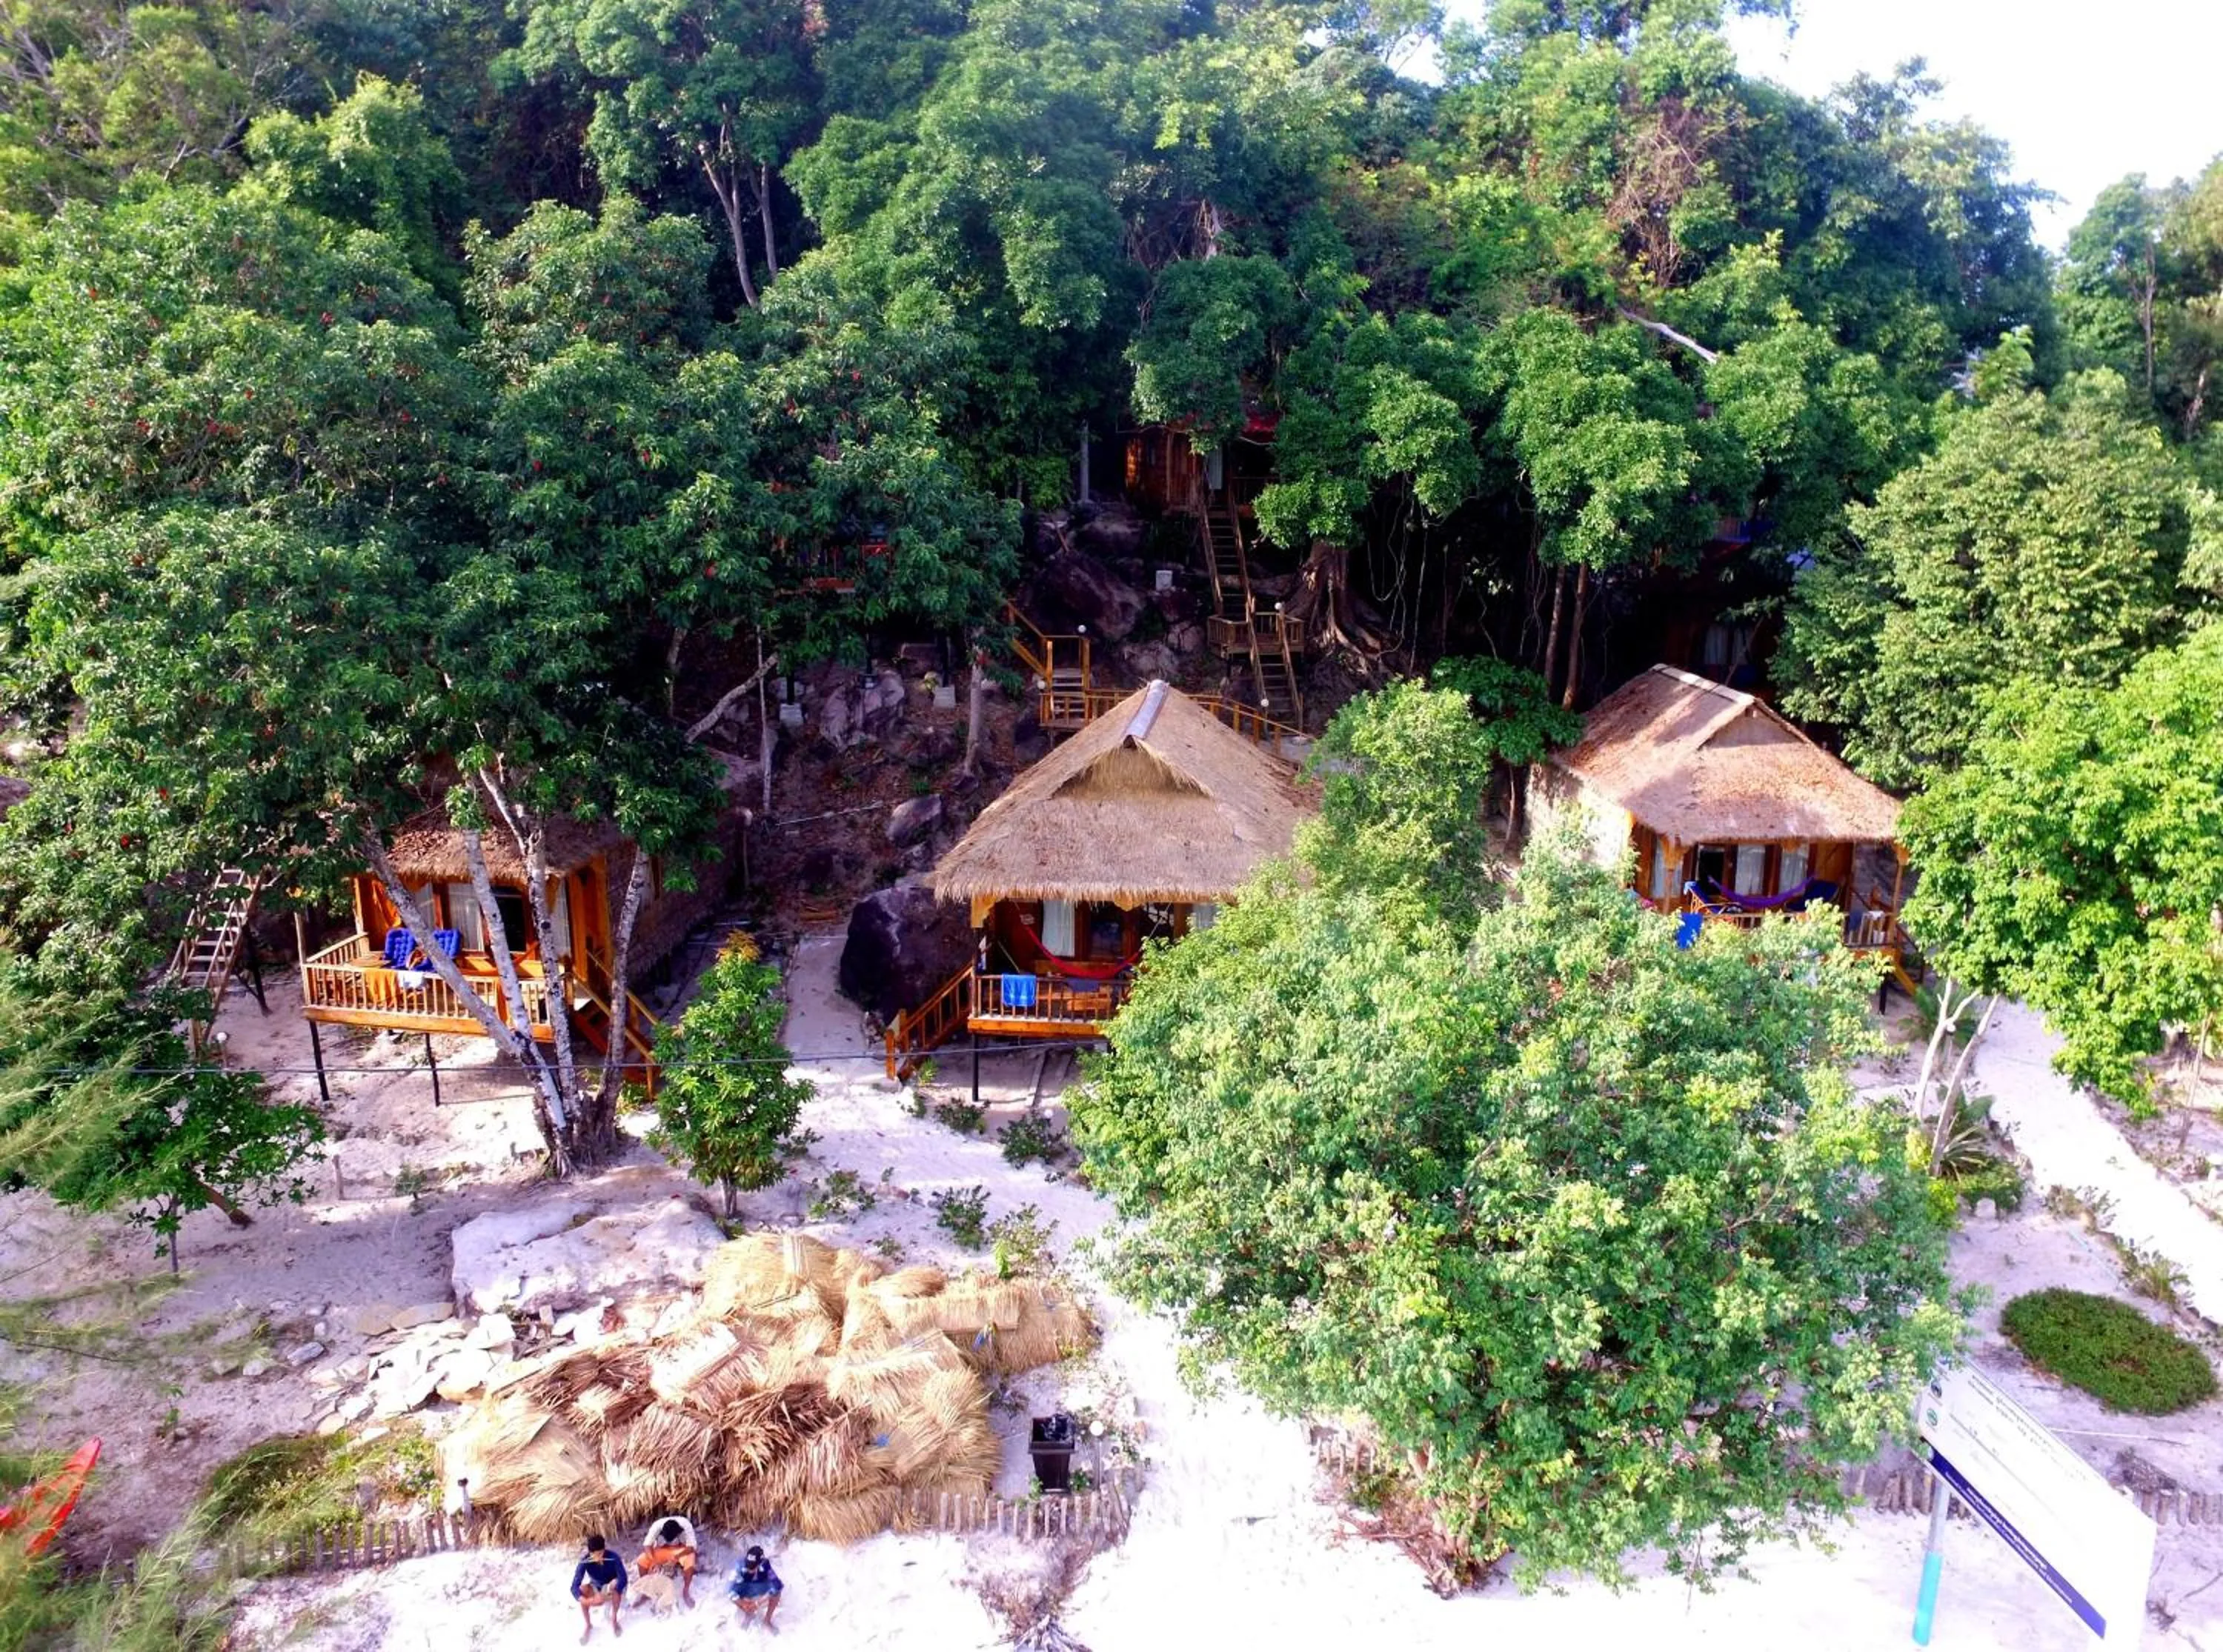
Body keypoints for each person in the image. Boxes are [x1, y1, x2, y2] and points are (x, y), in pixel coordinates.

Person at [570, 1533, 626, 1642]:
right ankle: (588, 1625)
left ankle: (614, 1621)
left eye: (600, 1553)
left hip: (611, 1587)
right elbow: (574, 1586)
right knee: (582, 1590)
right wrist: (584, 1600)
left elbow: (623, 1579)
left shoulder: (614, 1557)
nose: (597, 1557)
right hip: (596, 1586)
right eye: (594, 1555)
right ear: (590, 1553)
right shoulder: (585, 1561)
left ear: (604, 1550)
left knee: (615, 1584)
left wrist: (606, 1595)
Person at [634, 1516, 699, 1609]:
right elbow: (647, 1546)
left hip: (681, 1550)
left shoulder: (686, 1525)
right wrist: (655, 1562)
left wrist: (676, 1557)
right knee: (641, 1560)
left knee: (690, 1561)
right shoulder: (656, 1526)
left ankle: (686, 1591)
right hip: (662, 1549)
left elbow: (691, 1548)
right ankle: (647, 1590)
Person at [728, 1545, 783, 1632]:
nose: (750, 1569)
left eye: (753, 1566)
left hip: (760, 1586)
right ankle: (748, 1613)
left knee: (777, 1593)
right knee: (733, 1595)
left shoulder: (765, 1565)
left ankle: (767, 1620)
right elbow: (730, 1589)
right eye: (748, 1565)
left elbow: (778, 1585)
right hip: (745, 1587)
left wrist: (759, 1602)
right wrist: (742, 1603)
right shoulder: (739, 1565)